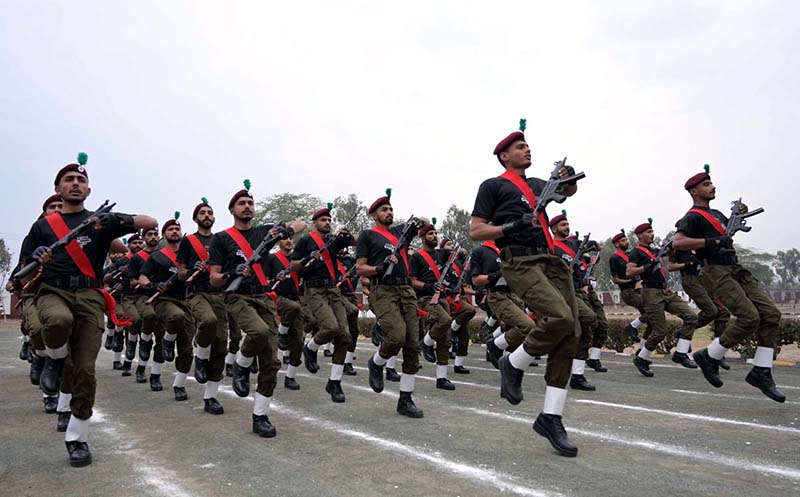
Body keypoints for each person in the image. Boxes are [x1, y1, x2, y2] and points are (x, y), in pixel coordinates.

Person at [19, 155, 156, 466]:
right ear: (58, 188)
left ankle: (77, 438)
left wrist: (111, 221)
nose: (75, 184)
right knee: (57, 320)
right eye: (69, 180)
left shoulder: (100, 222)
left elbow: (149, 222)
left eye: (81, 181)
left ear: (89, 190)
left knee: (84, 372)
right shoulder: (42, 227)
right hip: (54, 290)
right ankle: (52, 362)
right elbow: (24, 275)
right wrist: (38, 257)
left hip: (90, 295)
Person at [469, 126, 581, 457]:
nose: (527, 150)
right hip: (520, 261)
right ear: (504, 155)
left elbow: (567, 192)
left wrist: (567, 176)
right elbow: (476, 229)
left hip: (551, 263)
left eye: (528, 146)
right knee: (559, 317)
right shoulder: (493, 186)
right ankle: (513, 362)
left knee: (570, 332)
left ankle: (551, 417)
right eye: (520, 147)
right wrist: (508, 227)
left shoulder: (536, 186)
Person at [674, 168, 785, 402]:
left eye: (712, 183)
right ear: (694, 191)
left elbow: (726, 230)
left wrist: (740, 214)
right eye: (706, 184)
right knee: (749, 317)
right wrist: (712, 240)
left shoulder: (716, 213)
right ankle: (709, 356)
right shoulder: (692, 216)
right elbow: (679, 242)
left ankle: (761, 371)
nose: (712, 187)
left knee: (771, 314)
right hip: (715, 270)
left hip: (735, 268)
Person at [208, 181, 306, 437]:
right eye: (242, 203)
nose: (247, 207)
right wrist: (232, 273)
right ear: (232, 209)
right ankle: (240, 365)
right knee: (258, 332)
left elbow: (301, 224)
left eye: (251, 203)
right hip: (237, 296)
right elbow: (214, 278)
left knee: (271, 362)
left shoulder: (265, 232)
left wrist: (283, 231)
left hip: (263, 297)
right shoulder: (221, 239)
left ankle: (260, 415)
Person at [357, 189, 426, 418]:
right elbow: (360, 268)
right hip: (383, 289)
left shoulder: (400, 232)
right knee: (397, 335)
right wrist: (379, 267)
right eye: (384, 209)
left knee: (412, 345)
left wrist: (417, 222)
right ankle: (376, 363)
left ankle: (405, 399)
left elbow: (424, 224)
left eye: (390, 209)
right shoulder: (368, 235)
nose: (389, 212)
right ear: (374, 214)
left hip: (405, 289)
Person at [290, 205, 354, 403]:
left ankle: (334, 382)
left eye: (329, 220)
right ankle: (310, 347)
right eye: (323, 220)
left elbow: (355, 242)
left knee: (344, 336)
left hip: (333, 289)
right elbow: (293, 265)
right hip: (314, 289)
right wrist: (308, 258)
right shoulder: (306, 240)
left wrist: (346, 235)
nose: (327, 223)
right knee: (330, 326)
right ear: (315, 222)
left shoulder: (333, 241)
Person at [626, 220, 698, 377]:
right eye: (648, 232)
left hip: (665, 291)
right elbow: (630, 272)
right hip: (650, 292)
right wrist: (647, 266)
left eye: (652, 231)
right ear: (639, 235)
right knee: (659, 331)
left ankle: (681, 353)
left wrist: (671, 248)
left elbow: (668, 263)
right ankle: (642, 358)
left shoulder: (656, 250)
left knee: (691, 316)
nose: (651, 234)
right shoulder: (636, 252)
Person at [176, 198, 228, 414]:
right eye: (202, 213)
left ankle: (210, 397)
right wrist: (190, 271)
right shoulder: (188, 242)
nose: (206, 215)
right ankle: (200, 355)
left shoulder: (222, 240)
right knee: (208, 321)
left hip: (219, 295)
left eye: (209, 212)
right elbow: (180, 273)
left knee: (221, 345)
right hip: (197, 292)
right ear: (195, 218)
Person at [608, 230, 646, 343]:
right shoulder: (614, 258)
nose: (626, 242)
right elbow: (615, 279)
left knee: (653, 320)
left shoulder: (630, 255)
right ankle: (631, 327)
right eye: (623, 240)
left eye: (626, 240)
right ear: (616, 244)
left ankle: (642, 350)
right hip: (628, 292)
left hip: (638, 289)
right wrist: (630, 280)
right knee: (652, 310)